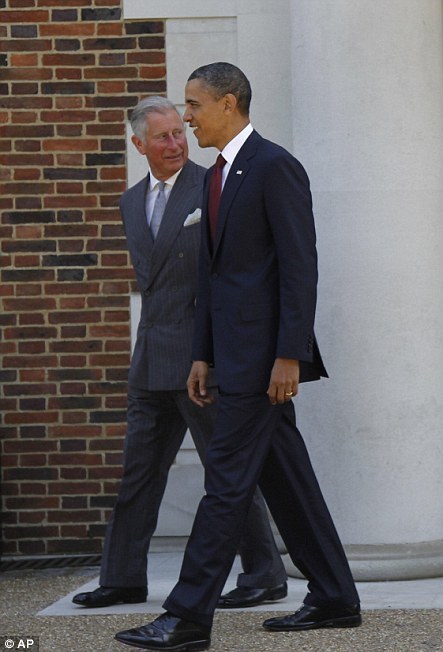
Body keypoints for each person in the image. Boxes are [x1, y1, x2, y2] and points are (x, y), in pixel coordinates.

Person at [115, 63, 359, 651]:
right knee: (288, 479)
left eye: (194, 106)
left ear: (228, 104)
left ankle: (187, 616)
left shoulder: (275, 167)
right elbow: (215, 276)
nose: (187, 117)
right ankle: (333, 597)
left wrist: (290, 357)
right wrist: (201, 355)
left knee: (224, 484)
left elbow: (300, 270)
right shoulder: (216, 177)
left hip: (263, 364)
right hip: (229, 357)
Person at [73, 96, 287, 612]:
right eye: (162, 136)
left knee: (226, 471)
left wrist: (216, 354)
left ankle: (264, 574)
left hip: (201, 360)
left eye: (179, 133)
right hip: (150, 360)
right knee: (138, 473)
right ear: (139, 144)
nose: (175, 143)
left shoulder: (212, 185)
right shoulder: (129, 202)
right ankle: (122, 578)